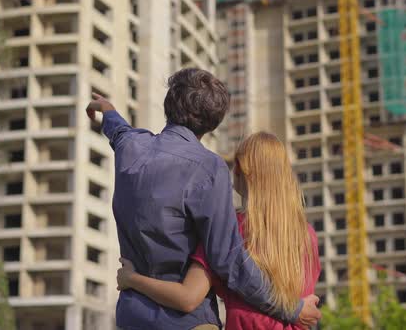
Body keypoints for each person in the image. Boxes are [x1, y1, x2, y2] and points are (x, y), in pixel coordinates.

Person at [85, 68, 321, 330]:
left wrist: (107, 110)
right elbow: (228, 258)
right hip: (188, 322)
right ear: (213, 121)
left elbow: (118, 132)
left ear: (169, 103)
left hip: (133, 317)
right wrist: (291, 308)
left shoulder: (130, 147)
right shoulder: (209, 168)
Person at [116, 132, 321, 330]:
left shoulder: (230, 229)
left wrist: (132, 279)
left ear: (241, 170)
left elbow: (187, 298)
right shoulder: (306, 235)